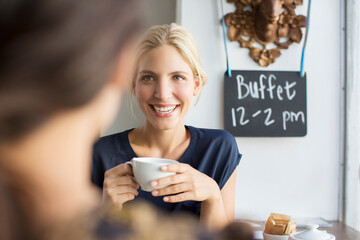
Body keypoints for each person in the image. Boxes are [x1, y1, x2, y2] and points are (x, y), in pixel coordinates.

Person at [92, 23, 242, 230]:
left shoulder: (219, 148)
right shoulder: (99, 153)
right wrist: (106, 210)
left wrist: (213, 197)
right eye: (148, 78)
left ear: (196, 85)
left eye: (178, 77)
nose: (162, 93)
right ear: (133, 86)